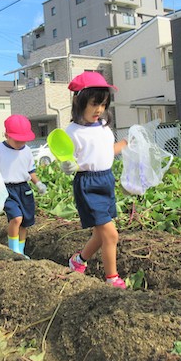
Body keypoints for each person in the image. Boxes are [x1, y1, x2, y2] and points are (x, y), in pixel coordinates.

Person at [61, 72, 128, 289]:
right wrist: (68, 165)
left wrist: (126, 144)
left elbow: (108, 152)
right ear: (79, 102)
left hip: (106, 180)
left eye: (103, 104)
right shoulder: (72, 132)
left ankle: (78, 261)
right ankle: (112, 279)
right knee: (111, 234)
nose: (99, 109)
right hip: (87, 184)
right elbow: (67, 158)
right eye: (94, 104)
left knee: (101, 234)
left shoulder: (103, 128)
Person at [0, 115, 47, 256]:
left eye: (23, 140)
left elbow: (30, 171)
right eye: (17, 140)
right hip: (7, 189)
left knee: (25, 222)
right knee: (16, 218)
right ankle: (13, 250)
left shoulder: (26, 151)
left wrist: (38, 183)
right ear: (6, 135)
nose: (21, 143)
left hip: (24, 188)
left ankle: (21, 250)